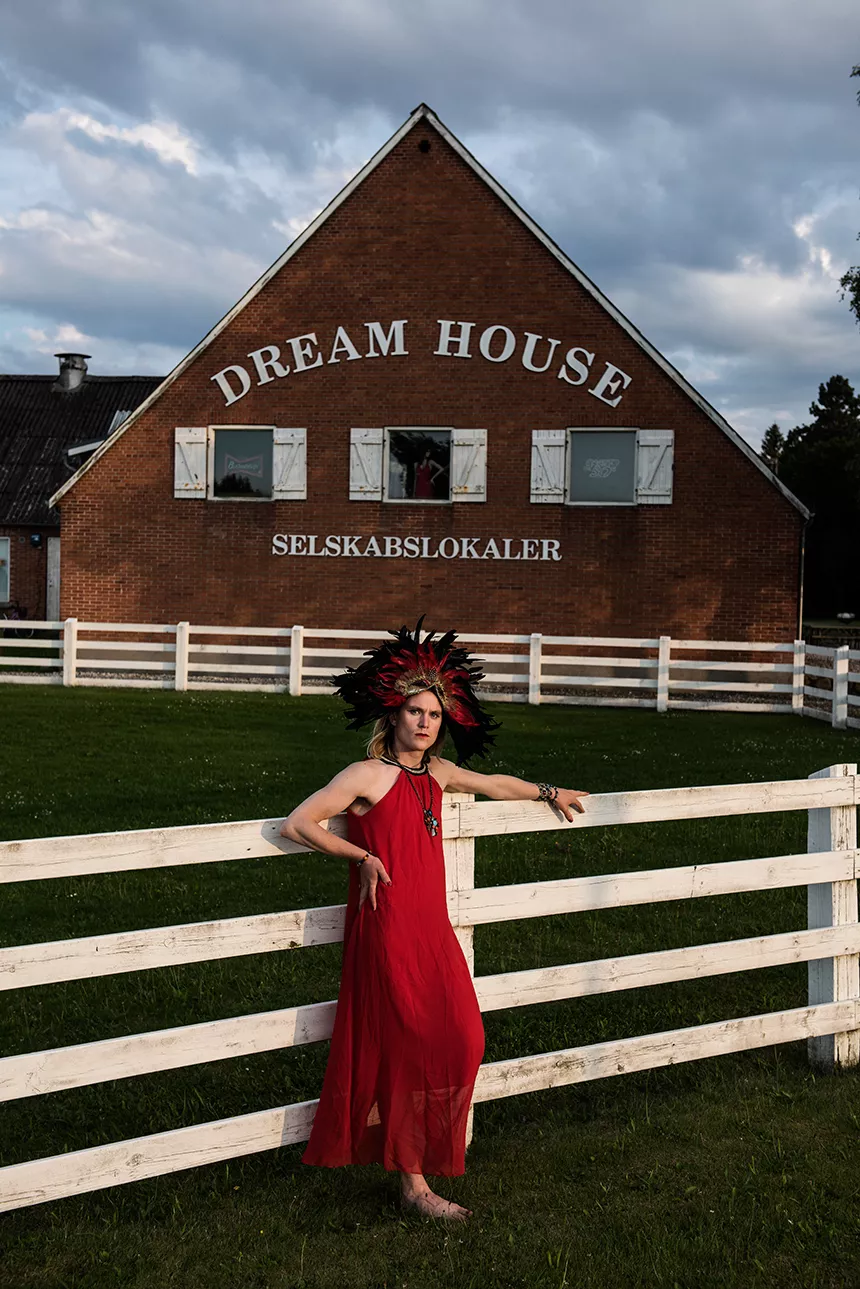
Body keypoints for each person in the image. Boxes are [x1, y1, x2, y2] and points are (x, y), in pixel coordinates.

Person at [280, 620, 589, 1220]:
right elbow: (298, 823)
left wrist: (548, 790)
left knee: (466, 1038)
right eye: (415, 712)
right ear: (394, 715)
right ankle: (413, 1184)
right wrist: (361, 856)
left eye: (434, 715)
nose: (424, 723)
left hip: (432, 928)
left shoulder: (438, 774)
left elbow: (493, 784)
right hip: (388, 926)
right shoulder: (367, 775)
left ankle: (416, 1163)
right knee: (408, 1044)